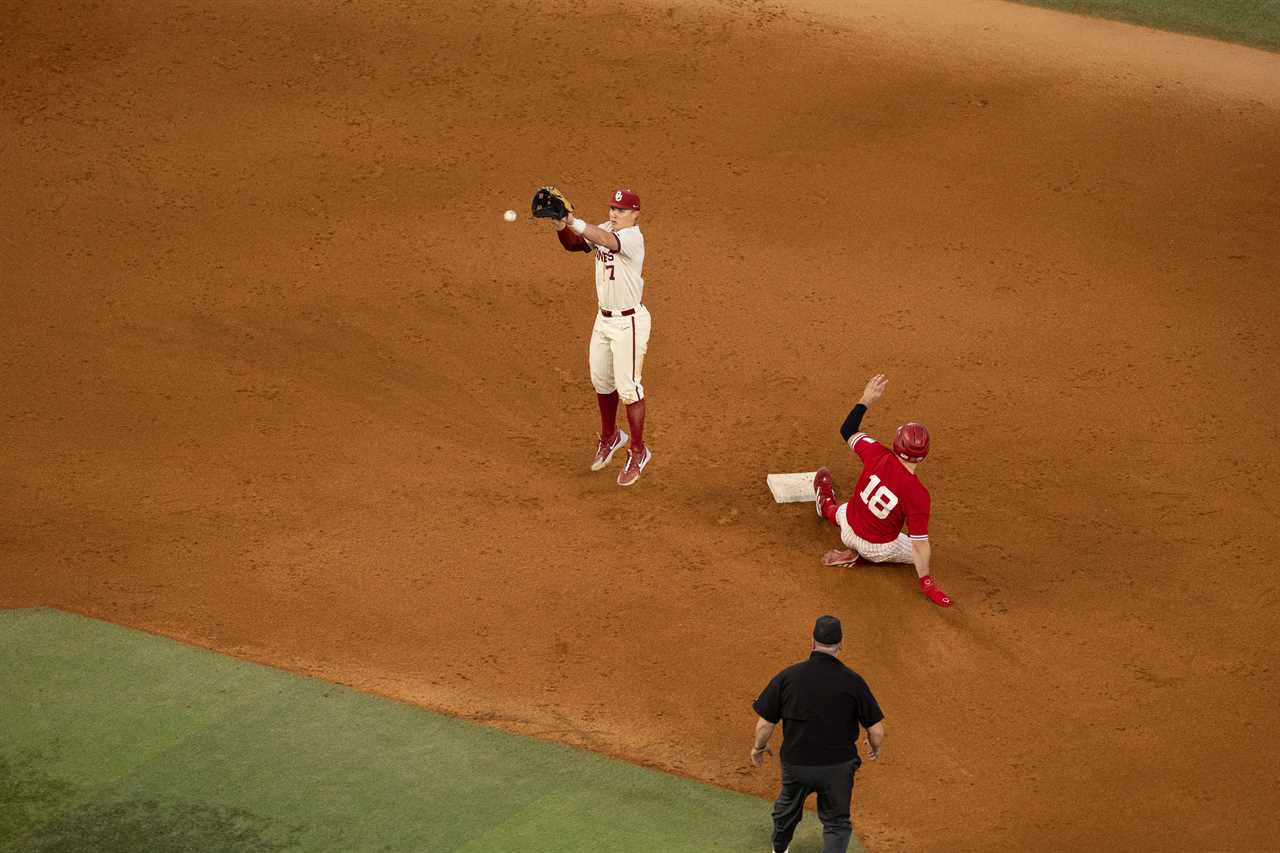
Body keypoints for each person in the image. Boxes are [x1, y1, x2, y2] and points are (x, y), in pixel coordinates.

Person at [813, 373, 954, 607]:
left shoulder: (877, 453)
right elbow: (919, 546)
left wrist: (866, 399)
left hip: (847, 526)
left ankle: (826, 505)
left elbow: (847, 429)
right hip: (875, 549)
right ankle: (860, 559)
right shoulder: (918, 494)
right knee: (920, 550)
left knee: (847, 510)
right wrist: (927, 583)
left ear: (897, 444)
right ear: (925, 454)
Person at [750, 615, 885, 853]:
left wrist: (759, 747)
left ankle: (779, 849)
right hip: (838, 768)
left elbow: (765, 724)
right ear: (841, 644)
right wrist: (875, 747)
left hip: (797, 763)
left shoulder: (788, 677)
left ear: (812, 642)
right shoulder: (853, 682)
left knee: (787, 809)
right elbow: (876, 730)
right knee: (836, 823)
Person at [551, 188, 653, 486]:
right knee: (601, 380)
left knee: (629, 389)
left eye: (620, 210)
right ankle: (611, 436)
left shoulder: (632, 237)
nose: (614, 214)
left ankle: (638, 450)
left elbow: (607, 241)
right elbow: (575, 245)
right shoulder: (605, 228)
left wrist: (574, 219)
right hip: (604, 320)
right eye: (611, 208)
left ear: (635, 213)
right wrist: (561, 225)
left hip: (629, 323)